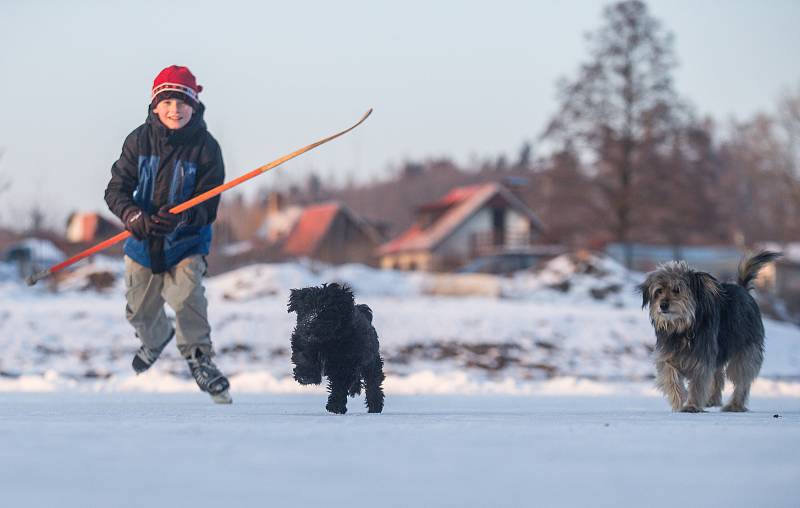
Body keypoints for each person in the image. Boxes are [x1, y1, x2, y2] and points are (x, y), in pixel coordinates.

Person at [104, 65, 231, 403]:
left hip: (187, 241)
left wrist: (183, 218)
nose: (175, 110)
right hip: (143, 242)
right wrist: (132, 215)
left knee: (188, 296)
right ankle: (157, 336)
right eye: (168, 102)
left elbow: (209, 206)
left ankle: (200, 359)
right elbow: (115, 190)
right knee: (139, 310)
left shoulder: (206, 148)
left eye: (182, 103)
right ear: (155, 105)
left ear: (194, 105)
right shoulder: (137, 141)